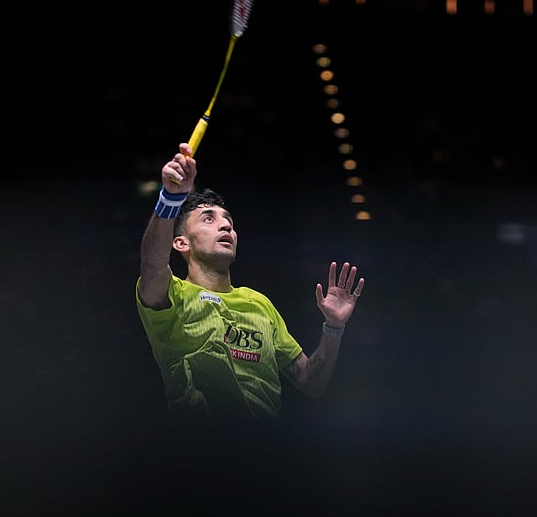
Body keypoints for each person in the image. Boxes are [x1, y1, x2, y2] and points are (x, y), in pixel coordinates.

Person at [135, 142, 366, 421]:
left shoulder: (260, 304)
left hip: (262, 454)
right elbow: (151, 263)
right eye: (208, 219)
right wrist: (170, 198)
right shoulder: (172, 294)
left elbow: (311, 382)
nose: (226, 226)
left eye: (229, 221)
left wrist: (334, 327)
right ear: (181, 242)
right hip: (197, 450)